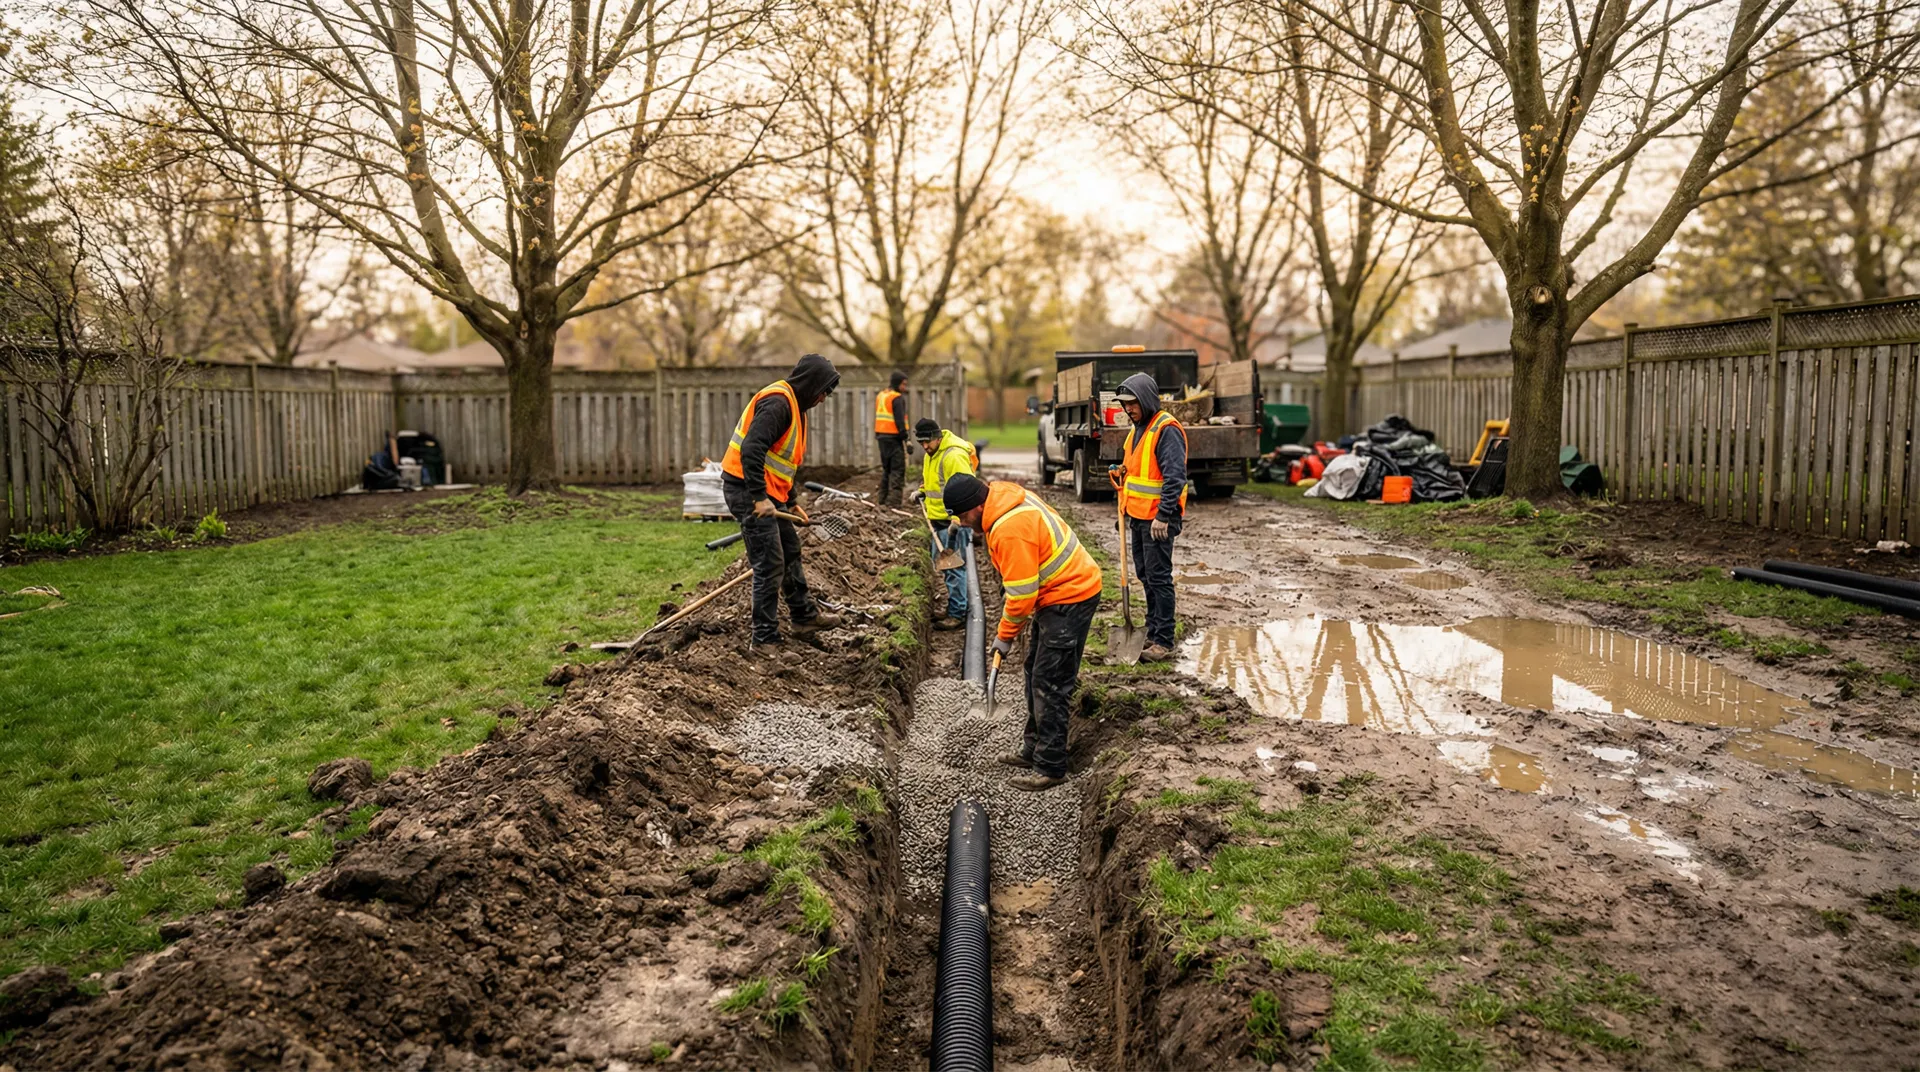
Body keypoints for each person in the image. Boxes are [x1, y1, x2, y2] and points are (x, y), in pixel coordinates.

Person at [943, 473, 1102, 792]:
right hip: (1056, 593)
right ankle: (1034, 749)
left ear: (975, 505)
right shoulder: (999, 497)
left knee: (1050, 682)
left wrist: (1004, 636)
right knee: (1034, 672)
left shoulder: (1008, 528)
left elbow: (1021, 596)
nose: (962, 523)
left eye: (962, 515)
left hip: (1071, 596)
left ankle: (1051, 766)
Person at [721, 353, 845, 647]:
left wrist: (790, 502)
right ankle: (764, 640)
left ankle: (803, 617)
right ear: (810, 384)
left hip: (768, 493)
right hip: (746, 490)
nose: (823, 399)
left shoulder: (795, 406)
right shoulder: (778, 404)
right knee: (769, 562)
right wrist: (759, 498)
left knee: (790, 548)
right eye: (822, 392)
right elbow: (752, 449)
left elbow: (782, 463)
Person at [1110, 373, 1187, 661]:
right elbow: (1136, 474)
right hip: (1138, 516)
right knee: (1146, 576)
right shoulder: (1137, 431)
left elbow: (1174, 477)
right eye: (1124, 405)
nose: (1128, 409)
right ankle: (1153, 632)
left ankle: (1164, 641)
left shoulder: (1166, 430)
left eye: (1132, 403)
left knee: (1158, 578)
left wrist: (1164, 515)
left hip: (1158, 520)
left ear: (1145, 399)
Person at [907, 418, 979, 631]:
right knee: (945, 565)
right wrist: (922, 490)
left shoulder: (953, 456)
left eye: (928, 442)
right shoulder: (934, 453)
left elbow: (966, 490)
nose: (925, 446)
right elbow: (936, 481)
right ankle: (954, 607)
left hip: (952, 523)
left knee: (953, 568)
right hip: (939, 520)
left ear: (938, 437)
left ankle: (957, 613)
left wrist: (957, 520)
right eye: (921, 443)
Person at [874, 370, 909, 506]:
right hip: (894, 438)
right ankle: (893, 503)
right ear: (897, 383)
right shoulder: (896, 398)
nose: (904, 388)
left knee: (886, 470)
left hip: (881, 437)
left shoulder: (881, 395)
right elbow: (899, 420)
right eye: (903, 384)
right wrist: (906, 439)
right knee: (897, 470)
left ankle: (882, 500)